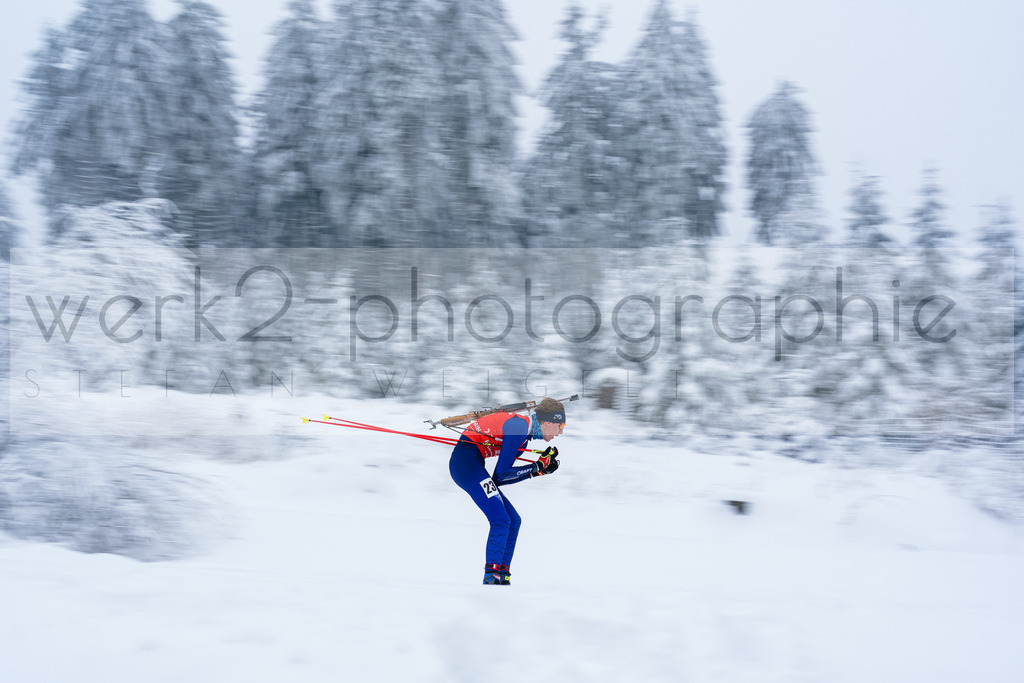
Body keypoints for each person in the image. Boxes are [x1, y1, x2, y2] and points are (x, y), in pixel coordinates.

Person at [448, 397, 566, 585]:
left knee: (513, 520)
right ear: (548, 422)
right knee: (501, 520)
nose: (561, 432)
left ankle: (503, 576)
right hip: (465, 465)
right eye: (561, 426)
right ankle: (491, 577)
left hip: (473, 465)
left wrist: (536, 471)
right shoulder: (520, 426)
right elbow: (502, 473)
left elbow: (499, 479)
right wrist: (535, 467)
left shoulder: (523, 438)